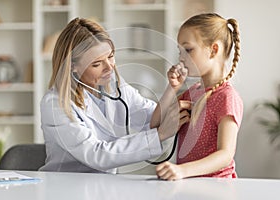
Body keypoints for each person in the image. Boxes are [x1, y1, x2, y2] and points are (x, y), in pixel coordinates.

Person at [39, 18, 190, 173]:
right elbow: (95, 154)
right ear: (73, 66)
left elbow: (152, 118)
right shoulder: (55, 104)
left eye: (110, 56)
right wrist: (159, 135)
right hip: (64, 187)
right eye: (97, 64)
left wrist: (171, 89)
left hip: (103, 186)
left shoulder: (115, 88)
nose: (109, 67)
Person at [156, 13, 243, 180]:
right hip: (190, 185)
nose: (181, 58)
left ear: (213, 50)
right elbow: (156, 124)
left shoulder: (226, 97)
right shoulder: (192, 93)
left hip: (216, 187)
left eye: (188, 50)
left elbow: (225, 154)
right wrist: (171, 89)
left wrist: (182, 170)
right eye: (180, 51)